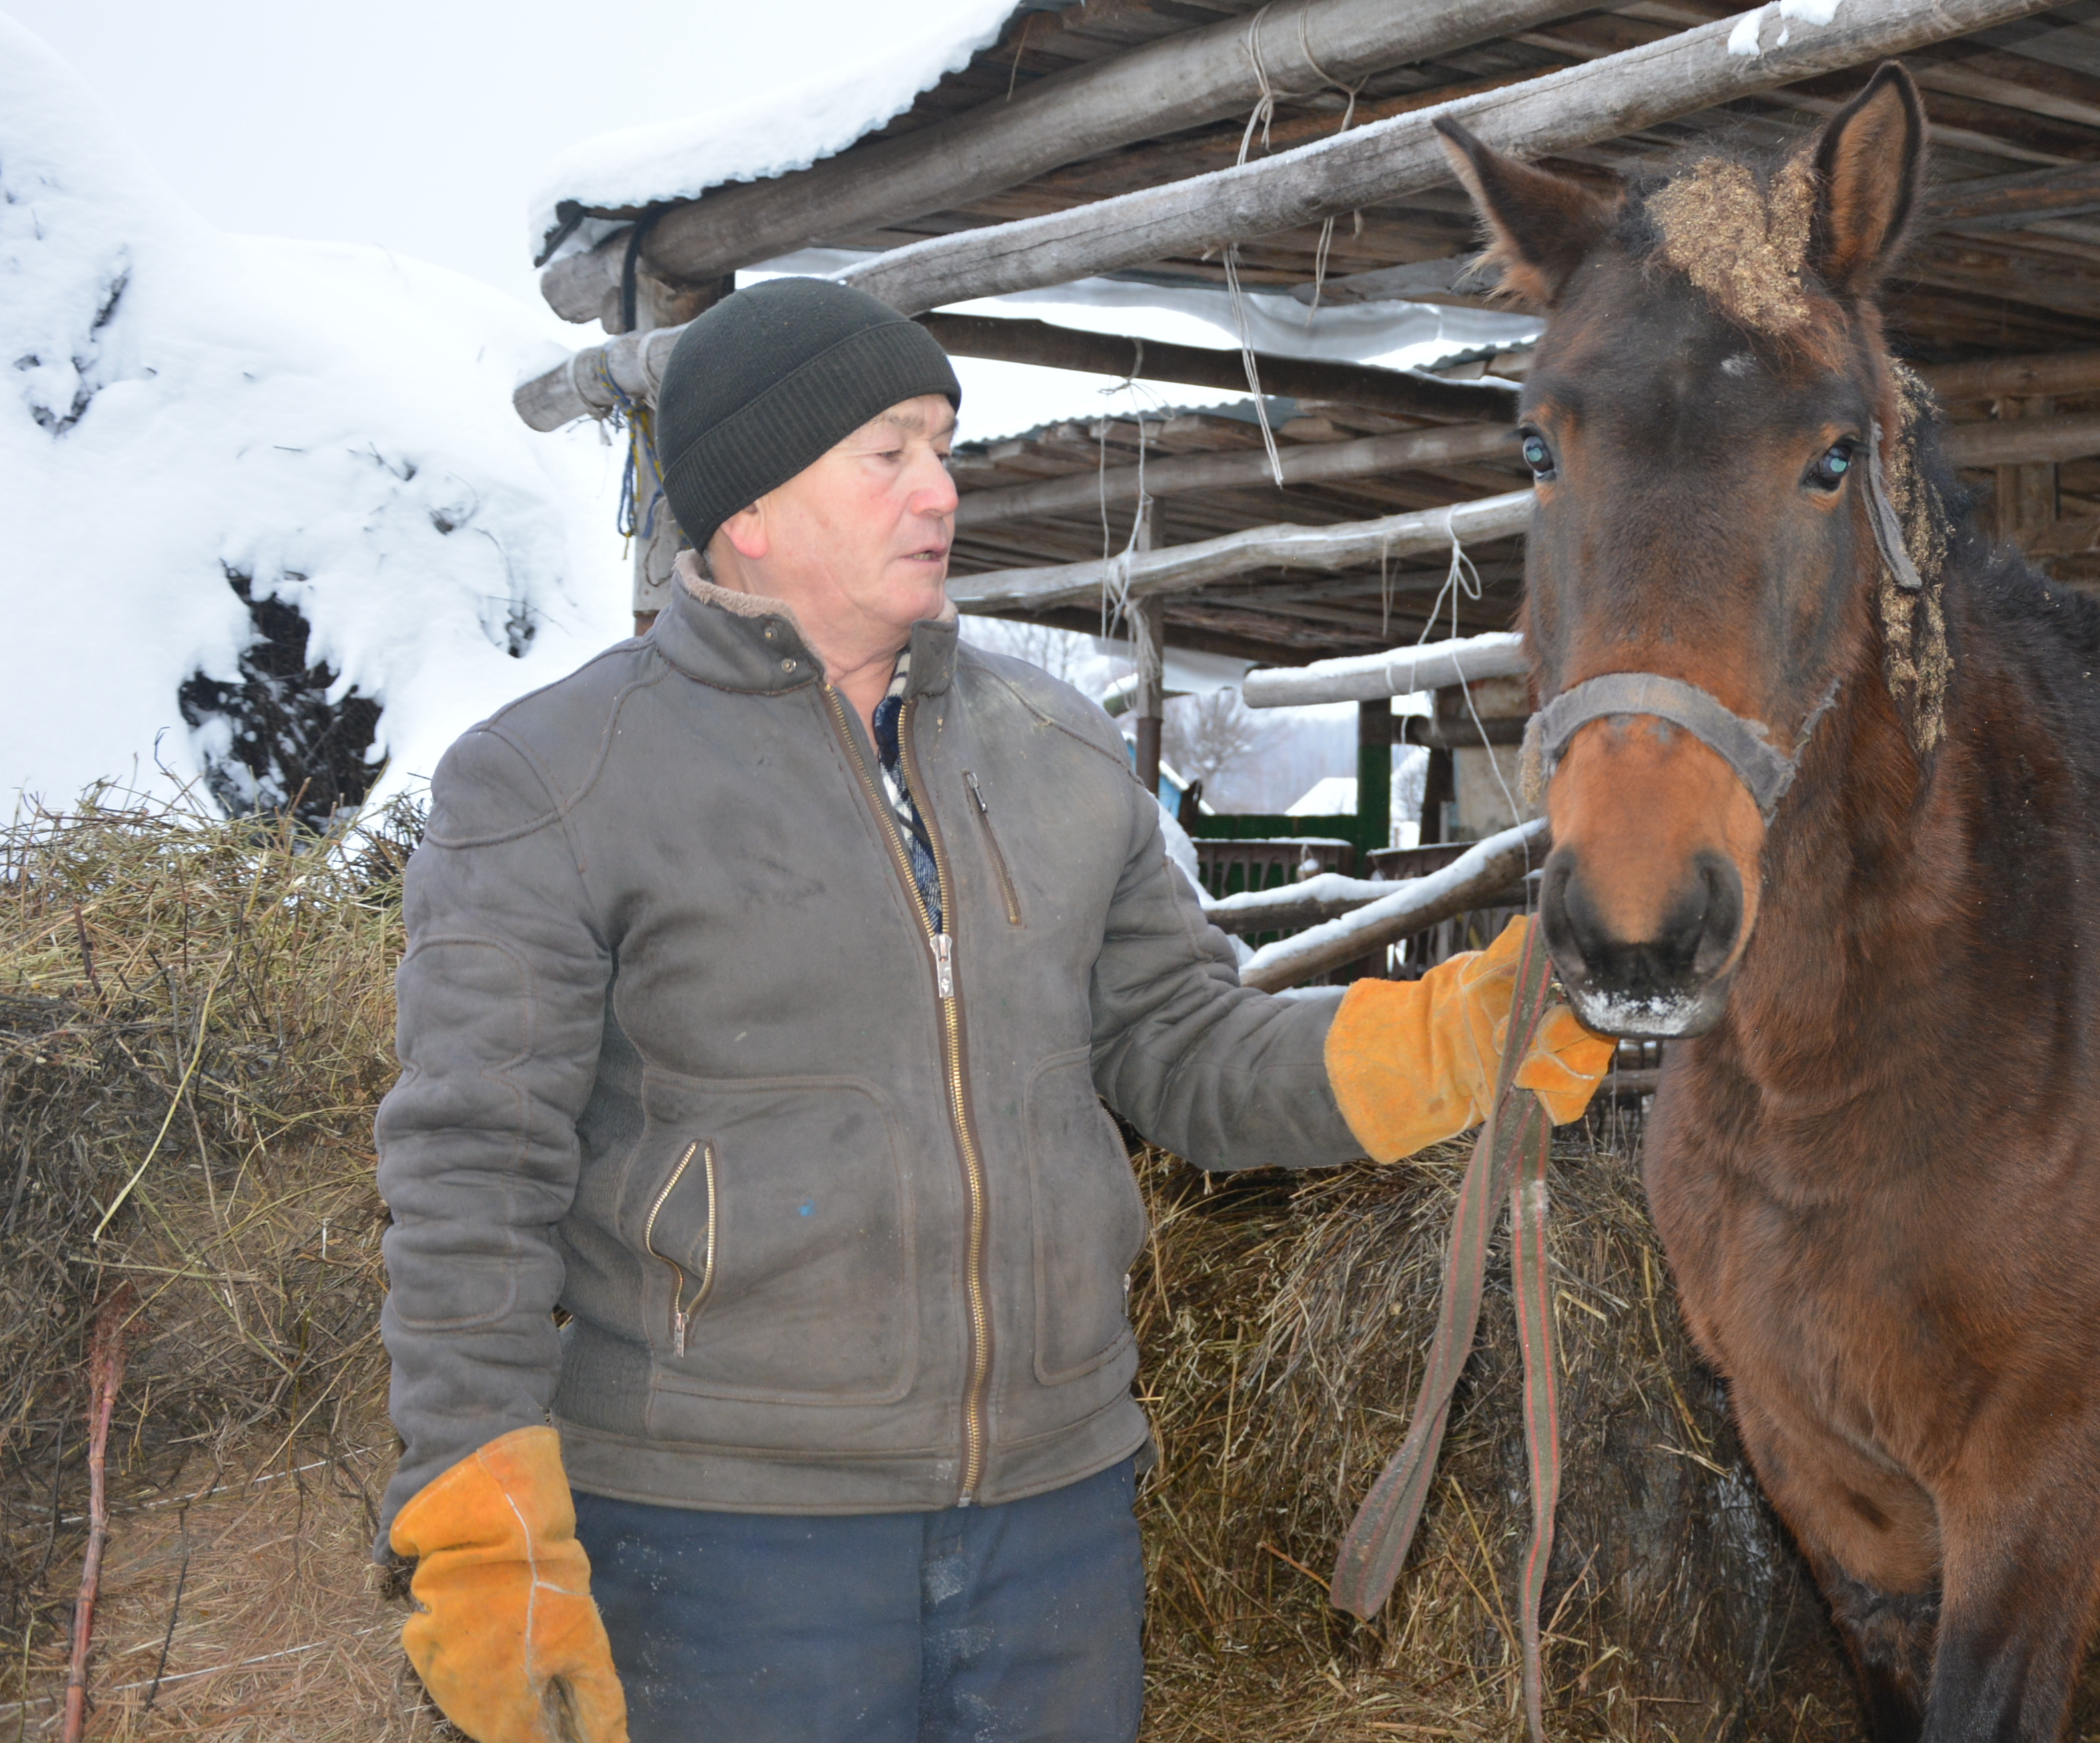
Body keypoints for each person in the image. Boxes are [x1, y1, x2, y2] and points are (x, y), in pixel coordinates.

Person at [372, 278, 1608, 1743]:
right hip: (724, 1531)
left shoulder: (1053, 746)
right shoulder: (557, 777)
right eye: (887, 453)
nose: (940, 490)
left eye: (944, 448)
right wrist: (482, 1515)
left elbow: (1190, 1048)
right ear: (750, 507)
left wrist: (1462, 1034)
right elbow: (472, 1168)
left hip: (1056, 1518)